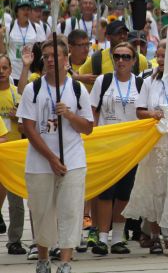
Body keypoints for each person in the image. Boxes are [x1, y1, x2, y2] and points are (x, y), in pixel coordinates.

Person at [17, 37, 94, 273]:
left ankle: (66, 261)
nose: (50, 60)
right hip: (40, 162)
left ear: (66, 57)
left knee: (71, 210)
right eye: (46, 57)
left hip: (72, 158)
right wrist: (51, 158)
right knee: (42, 212)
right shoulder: (34, 88)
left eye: (55, 56)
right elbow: (27, 127)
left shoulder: (77, 89)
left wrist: (69, 116)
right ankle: (43, 257)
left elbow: (88, 127)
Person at [122, 40, 168, 255]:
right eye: (158, 56)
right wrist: (153, 114)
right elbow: (140, 110)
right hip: (155, 144)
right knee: (156, 190)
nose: (160, 60)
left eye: (164, 56)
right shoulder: (150, 81)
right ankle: (154, 236)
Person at [88, 42, 142, 256]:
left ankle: (118, 238)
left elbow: (144, 111)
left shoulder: (140, 83)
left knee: (123, 193)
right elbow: (92, 110)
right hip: (106, 146)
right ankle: (102, 238)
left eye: (126, 57)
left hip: (130, 147)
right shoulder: (104, 81)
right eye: (117, 56)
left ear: (134, 61)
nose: (121, 60)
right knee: (104, 193)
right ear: (112, 58)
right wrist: (92, 136)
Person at [0, 54, 25, 255]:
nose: (1, 72)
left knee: (16, 199)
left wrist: (19, 116)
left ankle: (15, 239)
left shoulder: (18, 94)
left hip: (14, 153)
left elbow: (28, 124)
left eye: (4, 68)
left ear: (10, 70)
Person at [0, 0, 46, 83]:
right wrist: (0, 38)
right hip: (13, 73)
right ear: (17, 12)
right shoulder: (9, 27)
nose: (26, 12)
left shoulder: (36, 27)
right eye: (23, 9)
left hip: (31, 73)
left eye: (28, 9)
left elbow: (43, 50)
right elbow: (3, 52)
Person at [78, 20, 148, 76]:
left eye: (125, 33)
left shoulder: (139, 59)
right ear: (108, 37)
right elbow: (77, 75)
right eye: (118, 33)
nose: (122, 36)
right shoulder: (98, 58)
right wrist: (82, 79)